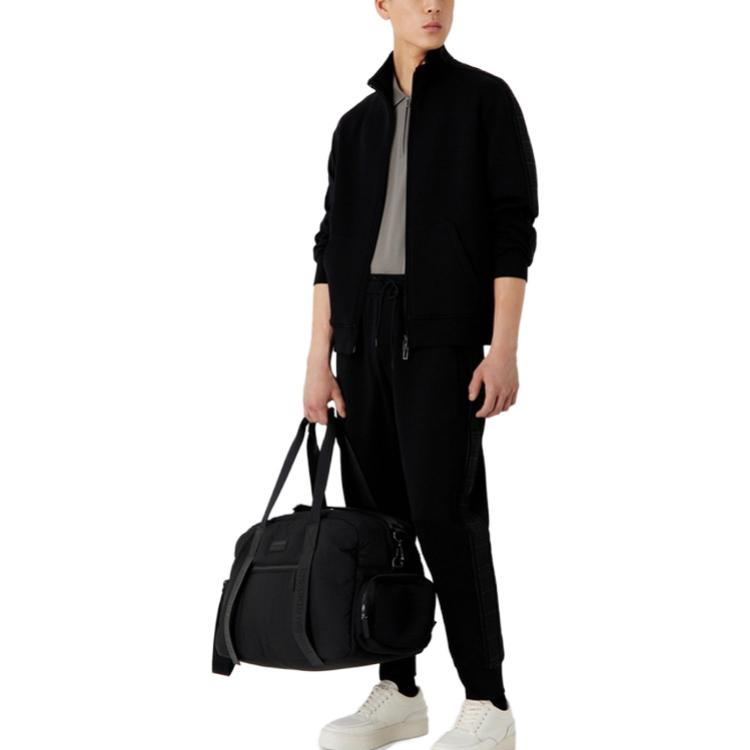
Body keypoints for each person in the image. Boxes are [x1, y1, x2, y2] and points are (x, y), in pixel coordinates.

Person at [303, 2, 538, 749]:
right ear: (381, 5)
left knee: (446, 518)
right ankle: (398, 689)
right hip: (361, 340)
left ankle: (488, 701)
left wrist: (502, 349)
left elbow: (512, 231)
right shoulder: (356, 126)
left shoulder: (484, 101)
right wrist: (318, 361)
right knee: (378, 524)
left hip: (439, 338)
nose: (432, 6)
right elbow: (328, 247)